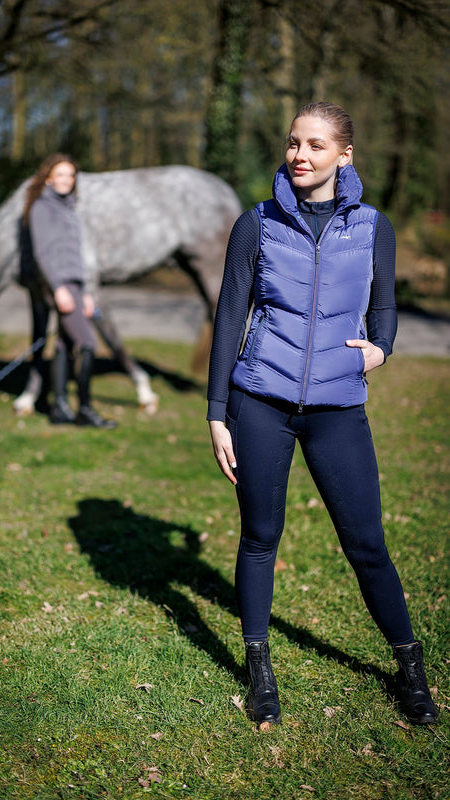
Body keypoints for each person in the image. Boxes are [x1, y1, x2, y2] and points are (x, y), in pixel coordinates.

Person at [207, 102, 438, 727]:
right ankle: (259, 668)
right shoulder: (256, 223)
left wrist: (381, 349)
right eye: (293, 143)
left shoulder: (372, 226)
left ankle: (409, 665)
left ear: (344, 155)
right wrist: (217, 411)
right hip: (261, 401)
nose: (300, 155)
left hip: (338, 408)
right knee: (260, 536)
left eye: (315, 145)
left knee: (367, 545)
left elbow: (385, 305)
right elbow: (230, 316)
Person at [23, 154, 116, 429]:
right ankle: (85, 409)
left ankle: (60, 407)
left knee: (64, 344)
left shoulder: (69, 207)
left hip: (74, 284)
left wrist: (84, 291)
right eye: (61, 174)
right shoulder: (42, 207)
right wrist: (57, 288)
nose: (66, 180)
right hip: (60, 284)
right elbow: (43, 252)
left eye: (71, 175)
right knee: (87, 343)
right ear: (48, 178)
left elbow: (73, 253)